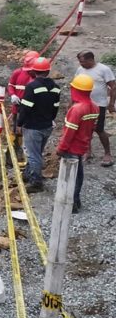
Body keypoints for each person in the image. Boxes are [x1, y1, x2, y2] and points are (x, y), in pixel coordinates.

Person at [56, 74, 100, 214]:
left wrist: (61, 148)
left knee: (69, 177)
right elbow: (91, 129)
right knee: (78, 174)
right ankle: (76, 200)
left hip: (71, 148)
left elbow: (69, 132)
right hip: (82, 146)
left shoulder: (76, 109)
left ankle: (70, 203)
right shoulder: (95, 107)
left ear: (75, 89)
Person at [16, 57, 60, 192]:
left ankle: (36, 182)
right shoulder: (56, 88)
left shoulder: (32, 86)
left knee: (33, 154)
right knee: (37, 152)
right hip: (47, 126)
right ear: (48, 71)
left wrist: (19, 123)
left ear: (34, 71)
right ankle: (28, 173)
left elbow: (25, 108)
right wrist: (49, 119)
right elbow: (55, 107)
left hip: (33, 127)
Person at [74, 50, 116, 166]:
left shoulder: (103, 69)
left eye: (83, 62)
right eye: (80, 62)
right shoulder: (80, 70)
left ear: (90, 59)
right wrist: (72, 102)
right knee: (85, 129)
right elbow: (75, 86)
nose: (81, 64)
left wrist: (111, 103)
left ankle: (107, 153)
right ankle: (88, 151)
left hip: (99, 105)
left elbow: (113, 87)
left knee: (99, 129)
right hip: (83, 105)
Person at [7, 50, 39, 165]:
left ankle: (28, 156)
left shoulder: (38, 77)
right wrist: (13, 95)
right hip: (18, 107)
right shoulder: (17, 73)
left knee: (28, 132)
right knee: (16, 130)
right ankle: (15, 152)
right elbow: (11, 85)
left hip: (31, 110)